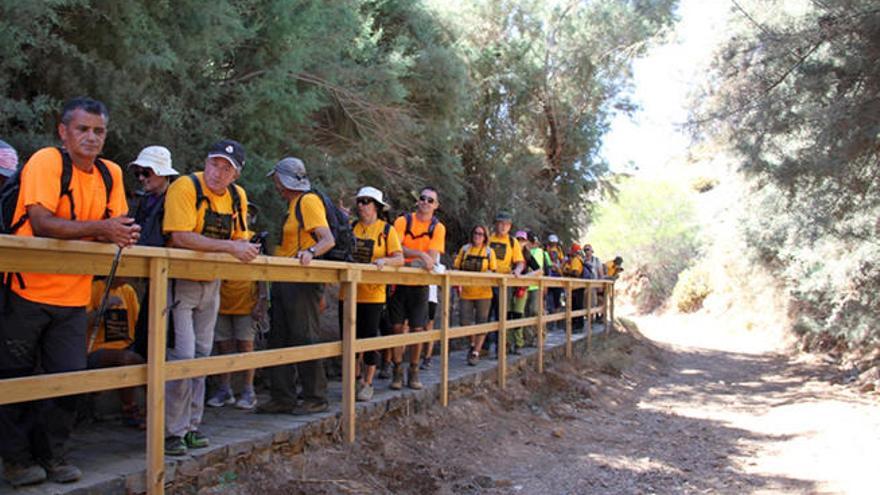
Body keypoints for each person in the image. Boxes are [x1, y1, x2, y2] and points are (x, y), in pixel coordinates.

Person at [0, 97, 139, 487]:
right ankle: (16, 460)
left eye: (99, 131)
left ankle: (55, 456)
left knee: (68, 381)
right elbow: (43, 222)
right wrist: (104, 229)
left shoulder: (110, 173)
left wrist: (117, 232)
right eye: (83, 129)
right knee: (17, 378)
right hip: (26, 291)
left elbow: (118, 229)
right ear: (63, 132)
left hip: (75, 297)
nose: (92, 138)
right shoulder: (46, 161)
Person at [161, 139, 259, 456]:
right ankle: (171, 431)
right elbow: (179, 236)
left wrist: (239, 246)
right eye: (214, 164)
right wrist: (231, 247)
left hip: (212, 283)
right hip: (180, 281)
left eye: (226, 168)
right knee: (183, 356)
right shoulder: (185, 187)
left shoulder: (236, 197)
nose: (218, 172)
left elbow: (241, 236)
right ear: (206, 162)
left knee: (202, 355)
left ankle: (192, 425)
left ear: (236, 175)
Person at [258, 157, 335, 415]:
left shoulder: (308, 202)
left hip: (301, 282)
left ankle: (315, 397)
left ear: (285, 179)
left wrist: (311, 252)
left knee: (305, 337)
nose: (275, 184)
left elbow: (327, 239)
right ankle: (283, 397)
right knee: (278, 337)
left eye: (277, 179)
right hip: (283, 280)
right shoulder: (291, 206)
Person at [344, 186, 403, 401]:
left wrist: (384, 261)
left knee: (368, 339)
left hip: (373, 295)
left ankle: (367, 383)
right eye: (359, 201)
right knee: (349, 340)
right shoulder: (351, 228)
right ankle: (352, 379)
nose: (361, 205)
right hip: (348, 294)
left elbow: (399, 258)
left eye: (366, 201)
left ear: (377, 207)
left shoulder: (387, 230)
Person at [388, 186, 446, 390]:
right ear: (417, 201)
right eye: (423, 198)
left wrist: (412, 258)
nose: (426, 202)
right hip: (399, 282)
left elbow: (431, 259)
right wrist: (419, 256)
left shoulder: (438, 228)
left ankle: (413, 370)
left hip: (420, 284)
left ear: (436, 206)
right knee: (396, 328)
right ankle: (396, 369)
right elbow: (395, 247)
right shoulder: (403, 221)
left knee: (418, 329)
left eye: (431, 200)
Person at [128, 145, 179, 360]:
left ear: (161, 173)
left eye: (146, 172)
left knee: (166, 333)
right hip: (148, 273)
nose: (141, 178)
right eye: (138, 173)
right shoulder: (144, 201)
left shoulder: (175, 199)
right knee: (145, 330)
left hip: (171, 276)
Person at [86, 277, 145, 429]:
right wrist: (102, 309)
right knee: (127, 359)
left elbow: (138, 322)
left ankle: (157, 409)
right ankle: (129, 410)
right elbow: (81, 322)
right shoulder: (94, 288)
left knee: (147, 361)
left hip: (126, 347)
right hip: (96, 349)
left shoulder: (128, 291)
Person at [453, 224, 497, 365]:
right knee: (464, 322)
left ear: (485, 237)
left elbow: (494, 271)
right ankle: (472, 344)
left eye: (481, 234)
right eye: (476, 233)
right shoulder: (465, 249)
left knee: (481, 322)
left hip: (484, 293)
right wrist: (457, 283)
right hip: (466, 292)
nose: (478, 236)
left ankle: (476, 352)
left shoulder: (489, 252)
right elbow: (456, 267)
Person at [486, 211, 525, 355]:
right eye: (500, 223)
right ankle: (483, 347)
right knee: (485, 315)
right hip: (487, 281)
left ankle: (500, 347)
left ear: (510, 226)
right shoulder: (489, 239)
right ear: (496, 224)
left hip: (504, 282)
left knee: (501, 315)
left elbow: (520, 262)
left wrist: (518, 271)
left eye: (506, 224)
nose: (503, 227)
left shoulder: (512, 242)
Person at [508, 231, 542, 353]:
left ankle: (518, 343)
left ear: (526, 242)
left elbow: (539, 270)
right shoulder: (509, 251)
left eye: (522, 240)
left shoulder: (527, 255)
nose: (520, 242)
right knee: (507, 314)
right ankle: (507, 342)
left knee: (518, 313)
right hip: (507, 287)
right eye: (518, 239)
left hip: (521, 288)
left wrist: (526, 276)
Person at [562, 244, 586, 331]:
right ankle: (576, 325)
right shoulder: (578, 259)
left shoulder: (576, 260)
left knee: (576, 307)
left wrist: (567, 272)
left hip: (576, 287)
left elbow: (576, 273)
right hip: (577, 287)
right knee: (575, 307)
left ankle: (578, 326)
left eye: (571, 250)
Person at [544, 234, 565, 328]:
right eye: (552, 243)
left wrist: (559, 267)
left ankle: (556, 321)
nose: (553, 245)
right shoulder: (546, 250)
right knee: (548, 300)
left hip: (557, 277)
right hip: (549, 276)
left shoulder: (559, 250)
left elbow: (562, 260)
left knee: (557, 300)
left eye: (554, 243)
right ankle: (550, 321)